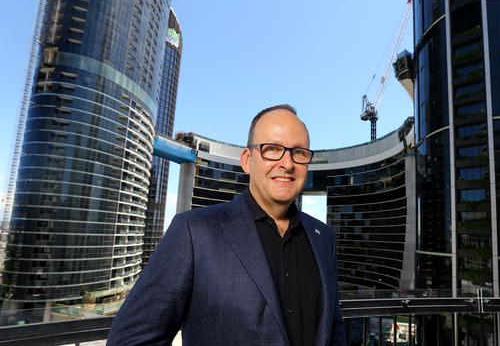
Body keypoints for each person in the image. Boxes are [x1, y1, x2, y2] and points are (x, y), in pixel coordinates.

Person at [107, 105, 345, 345]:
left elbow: (334, 329)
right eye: (272, 149)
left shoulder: (323, 237)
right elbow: (131, 340)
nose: (287, 163)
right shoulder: (193, 232)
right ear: (247, 160)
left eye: (299, 152)